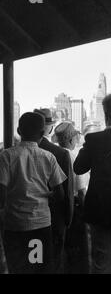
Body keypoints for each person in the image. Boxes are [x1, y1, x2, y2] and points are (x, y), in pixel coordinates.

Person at [0, 112, 66, 274]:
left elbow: (1, 195)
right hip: (40, 224)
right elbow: (60, 194)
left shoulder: (6, 156)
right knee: (38, 267)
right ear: (42, 134)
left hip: (14, 225)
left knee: (18, 268)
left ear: (18, 130)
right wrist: (47, 195)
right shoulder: (48, 157)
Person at [74, 94, 111, 274]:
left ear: (105, 114)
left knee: (101, 260)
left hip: (99, 208)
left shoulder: (93, 139)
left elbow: (79, 168)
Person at [34, 108, 74, 273]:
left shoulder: (10, 153)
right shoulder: (61, 154)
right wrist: (68, 220)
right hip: (54, 220)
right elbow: (67, 192)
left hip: (25, 221)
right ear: (49, 128)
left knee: (33, 262)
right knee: (54, 263)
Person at [52, 122, 89, 273]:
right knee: (77, 253)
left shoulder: (53, 154)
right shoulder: (73, 157)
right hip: (74, 209)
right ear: (72, 140)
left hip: (56, 208)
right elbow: (81, 191)